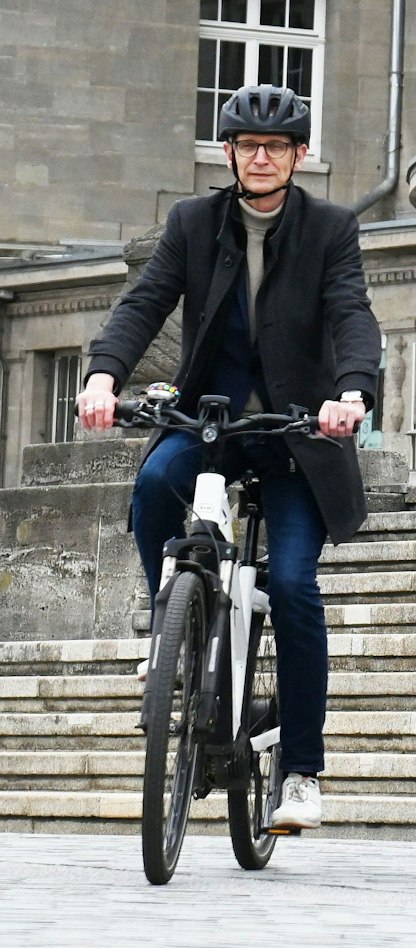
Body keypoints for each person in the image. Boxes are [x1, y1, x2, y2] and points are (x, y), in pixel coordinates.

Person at [76, 84, 380, 831]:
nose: (262, 157)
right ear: (231, 154)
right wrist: (103, 373)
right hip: (208, 420)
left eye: (277, 147)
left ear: (299, 157)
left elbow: (352, 312)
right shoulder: (193, 222)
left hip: (297, 432)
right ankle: (168, 623)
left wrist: (352, 390)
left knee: (299, 588)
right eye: (249, 146)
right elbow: (144, 303)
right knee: (153, 485)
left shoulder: (331, 228)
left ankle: (302, 770)